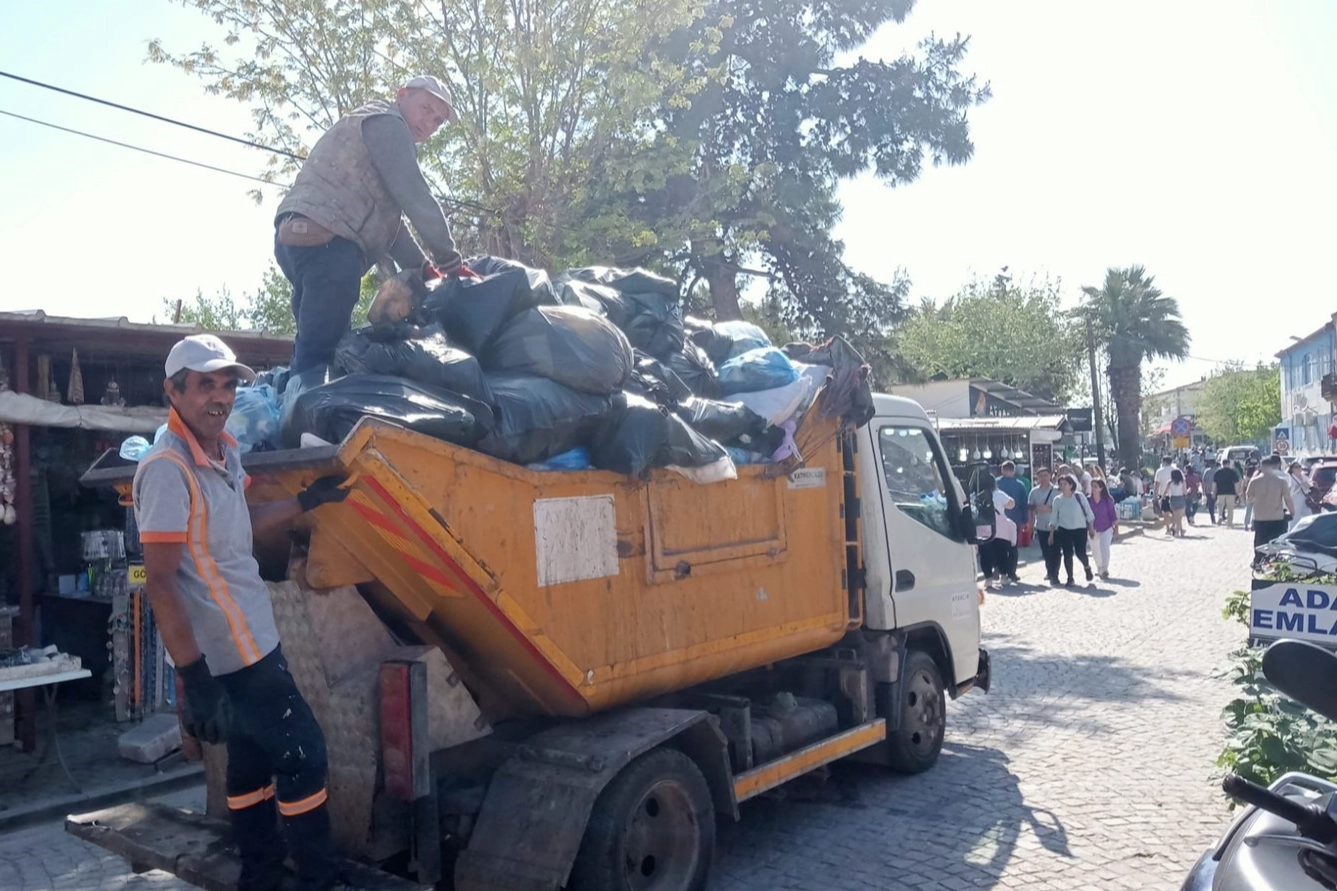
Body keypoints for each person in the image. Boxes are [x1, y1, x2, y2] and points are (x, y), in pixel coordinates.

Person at [135, 335, 354, 891]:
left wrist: (306, 502)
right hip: (232, 654)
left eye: (228, 384)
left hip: (256, 637)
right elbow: (160, 581)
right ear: (173, 390)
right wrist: (193, 679)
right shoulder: (167, 469)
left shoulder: (225, 453)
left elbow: (238, 530)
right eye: (205, 384)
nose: (220, 396)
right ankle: (317, 879)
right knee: (304, 756)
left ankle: (259, 875)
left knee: (252, 766)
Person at [274, 75, 466, 374]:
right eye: (426, 108)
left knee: (312, 344)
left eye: (438, 121)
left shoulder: (370, 124)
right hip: (330, 244)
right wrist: (451, 262)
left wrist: (423, 267)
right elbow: (414, 194)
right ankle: (308, 415)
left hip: (298, 235)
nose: (430, 122)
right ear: (401, 95)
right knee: (321, 357)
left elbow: (390, 226)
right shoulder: (389, 124)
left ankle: (292, 403)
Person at [1049, 473, 1095, 587]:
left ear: (1071, 485)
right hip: (1064, 530)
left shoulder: (1079, 497)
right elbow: (1054, 518)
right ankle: (1070, 577)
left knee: (1080, 553)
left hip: (1080, 529)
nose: (1063, 486)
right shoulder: (1057, 500)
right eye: (1061, 484)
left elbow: (1089, 513)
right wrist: (1051, 534)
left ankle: (1086, 567)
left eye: (1065, 484)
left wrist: (1091, 529)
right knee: (1067, 554)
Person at [1245, 455, 1294, 561]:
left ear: (1261, 467)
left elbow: (1248, 498)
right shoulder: (1281, 481)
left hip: (1260, 517)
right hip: (1276, 516)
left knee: (1260, 540)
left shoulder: (1254, 481)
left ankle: (1259, 560)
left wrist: (1259, 499)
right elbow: (1287, 498)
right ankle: (1275, 560)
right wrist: (1292, 512)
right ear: (1272, 467)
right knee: (1276, 540)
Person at [974, 474, 1017, 589]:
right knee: (1002, 553)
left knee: (985, 555)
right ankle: (1003, 577)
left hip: (983, 529)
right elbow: (1011, 504)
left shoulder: (978, 496)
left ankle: (988, 579)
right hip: (1000, 529)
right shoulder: (999, 494)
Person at [996, 460, 1029, 583]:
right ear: (1013, 470)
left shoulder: (996, 483)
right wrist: (1025, 520)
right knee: (1013, 546)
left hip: (998, 520)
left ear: (1002, 470)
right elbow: (1023, 504)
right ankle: (1011, 572)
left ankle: (999, 568)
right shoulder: (1020, 485)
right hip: (1015, 520)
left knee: (999, 545)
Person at [1028, 467, 1062, 585]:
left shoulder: (1057, 490)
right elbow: (1029, 507)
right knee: (1046, 551)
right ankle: (1049, 571)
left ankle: (1055, 574)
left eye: (1045, 475)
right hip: (1041, 526)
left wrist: (1049, 508)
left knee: (1056, 551)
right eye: (1041, 475)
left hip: (1056, 526)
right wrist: (1036, 509)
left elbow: (1062, 507)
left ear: (1050, 476)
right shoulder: (1034, 492)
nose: (1043, 478)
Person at [1088, 478, 1119, 580]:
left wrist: (1116, 529)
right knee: (1095, 550)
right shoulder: (1088, 500)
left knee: (1104, 548)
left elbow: (1113, 515)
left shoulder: (1107, 501)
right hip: (1093, 529)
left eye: (1095, 486)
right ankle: (1099, 567)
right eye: (1092, 486)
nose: (1093, 488)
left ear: (1101, 488)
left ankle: (1104, 569)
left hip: (1106, 527)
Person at [1287, 460, 1312, 531]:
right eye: (1296, 467)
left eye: (1299, 467)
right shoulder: (1290, 477)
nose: (1298, 468)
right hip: (1295, 499)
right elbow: (1288, 490)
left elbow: (1309, 486)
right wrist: (1300, 486)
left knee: (1309, 516)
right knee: (1294, 519)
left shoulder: (1304, 477)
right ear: (1292, 469)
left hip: (1305, 499)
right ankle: (1290, 533)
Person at [1214, 460, 1240, 527]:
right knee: (1230, 508)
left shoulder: (1218, 472)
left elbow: (1214, 484)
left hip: (1220, 492)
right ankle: (1229, 523)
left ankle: (1220, 516)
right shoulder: (1233, 472)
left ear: (1222, 464)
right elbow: (1236, 484)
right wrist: (1237, 492)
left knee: (1220, 506)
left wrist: (1214, 493)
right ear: (1229, 464)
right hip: (1230, 492)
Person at [1167, 468, 1188, 537]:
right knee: (1179, 517)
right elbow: (1185, 492)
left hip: (1173, 499)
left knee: (1176, 517)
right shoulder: (1182, 482)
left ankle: (1181, 531)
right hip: (1180, 498)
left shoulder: (1169, 483)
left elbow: (1166, 492)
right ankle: (1177, 532)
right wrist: (1188, 491)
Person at [1243, 458, 1260, 530]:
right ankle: (1253, 525)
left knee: (1248, 510)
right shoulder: (1257, 478)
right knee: (1255, 511)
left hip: (1249, 495)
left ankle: (1246, 525)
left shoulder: (1246, 479)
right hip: (1257, 495)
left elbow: (1243, 487)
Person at [1202, 459, 1219, 526]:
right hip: (1218, 490)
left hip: (1209, 490)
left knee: (1211, 505)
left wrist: (1203, 490)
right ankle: (1220, 516)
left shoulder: (1207, 471)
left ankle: (1213, 518)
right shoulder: (1218, 470)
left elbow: (1203, 481)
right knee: (1219, 504)